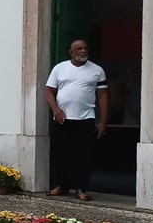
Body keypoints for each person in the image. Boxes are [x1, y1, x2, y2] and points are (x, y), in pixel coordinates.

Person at [45, 39, 108, 201]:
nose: (83, 51)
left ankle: (81, 188)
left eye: (85, 48)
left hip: (86, 118)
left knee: (83, 155)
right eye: (79, 48)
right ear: (71, 52)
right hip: (63, 118)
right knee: (62, 153)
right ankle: (61, 185)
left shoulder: (97, 70)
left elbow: (102, 96)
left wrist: (103, 121)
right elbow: (49, 91)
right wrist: (55, 109)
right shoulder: (59, 68)